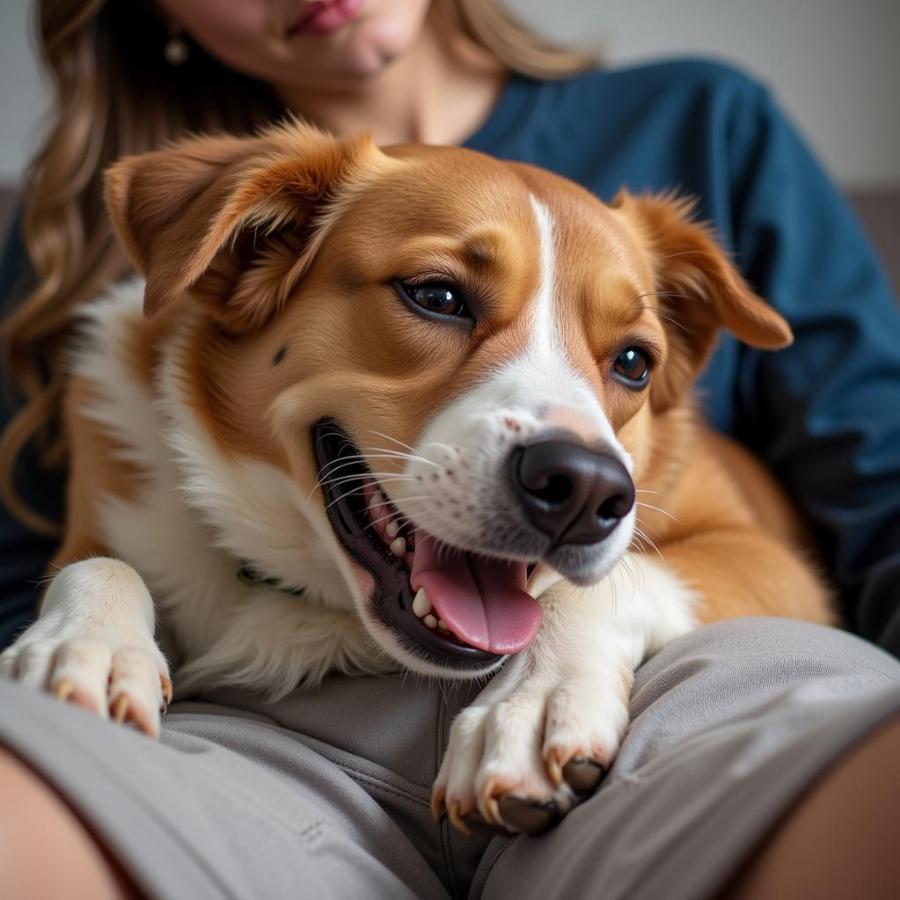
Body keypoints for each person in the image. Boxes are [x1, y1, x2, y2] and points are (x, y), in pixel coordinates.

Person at [1, 2, 899, 898]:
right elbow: (29, 585)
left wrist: (593, 623)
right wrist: (94, 595)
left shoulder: (708, 120)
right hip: (263, 748)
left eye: (627, 360)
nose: (585, 464)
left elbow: (848, 522)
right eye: (438, 296)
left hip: (663, 701)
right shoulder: (89, 260)